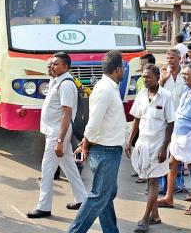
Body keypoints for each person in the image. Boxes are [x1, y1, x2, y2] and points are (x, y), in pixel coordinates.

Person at [68, 51, 127, 233]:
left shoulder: (111, 87)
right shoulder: (105, 89)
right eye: (123, 67)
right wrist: (86, 142)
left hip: (110, 150)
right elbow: (93, 122)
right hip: (105, 151)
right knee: (98, 196)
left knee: (106, 195)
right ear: (117, 69)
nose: (124, 70)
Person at [28, 52, 87, 219]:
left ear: (65, 67)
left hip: (58, 133)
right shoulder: (56, 80)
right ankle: (82, 199)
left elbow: (67, 114)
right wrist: (50, 70)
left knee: (47, 170)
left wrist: (60, 140)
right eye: (51, 63)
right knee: (69, 165)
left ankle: (44, 206)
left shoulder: (66, 85)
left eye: (55, 64)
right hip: (53, 131)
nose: (52, 66)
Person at [156, 63, 191, 216]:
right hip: (179, 134)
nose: (184, 77)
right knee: (172, 163)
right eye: (183, 74)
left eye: (186, 74)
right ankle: (169, 197)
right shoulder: (187, 90)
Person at [125, 64, 175, 232]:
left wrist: (164, 147)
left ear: (156, 78)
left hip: (158, 144)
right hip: (143, 144)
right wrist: (129, 141)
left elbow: (171, 124)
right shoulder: (141, 94)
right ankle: (156, 215)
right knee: (148, 179)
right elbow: (137, 119)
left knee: (153, 181)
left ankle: (145, 219)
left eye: (148, 77)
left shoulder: (166, 96)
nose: (145, 80)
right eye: (143, 77)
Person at [158, 49, 188, 195]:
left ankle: (179, 184)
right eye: (168, 58)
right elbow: (156, 92)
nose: (170, 60)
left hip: (181, 120)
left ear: (179, 58)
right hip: (165, 120)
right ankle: (163, 185)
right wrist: (162, 80)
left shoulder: (186, 75)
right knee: (164, 151)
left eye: (172, 58)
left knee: (179, 152)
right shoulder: (163, 74)